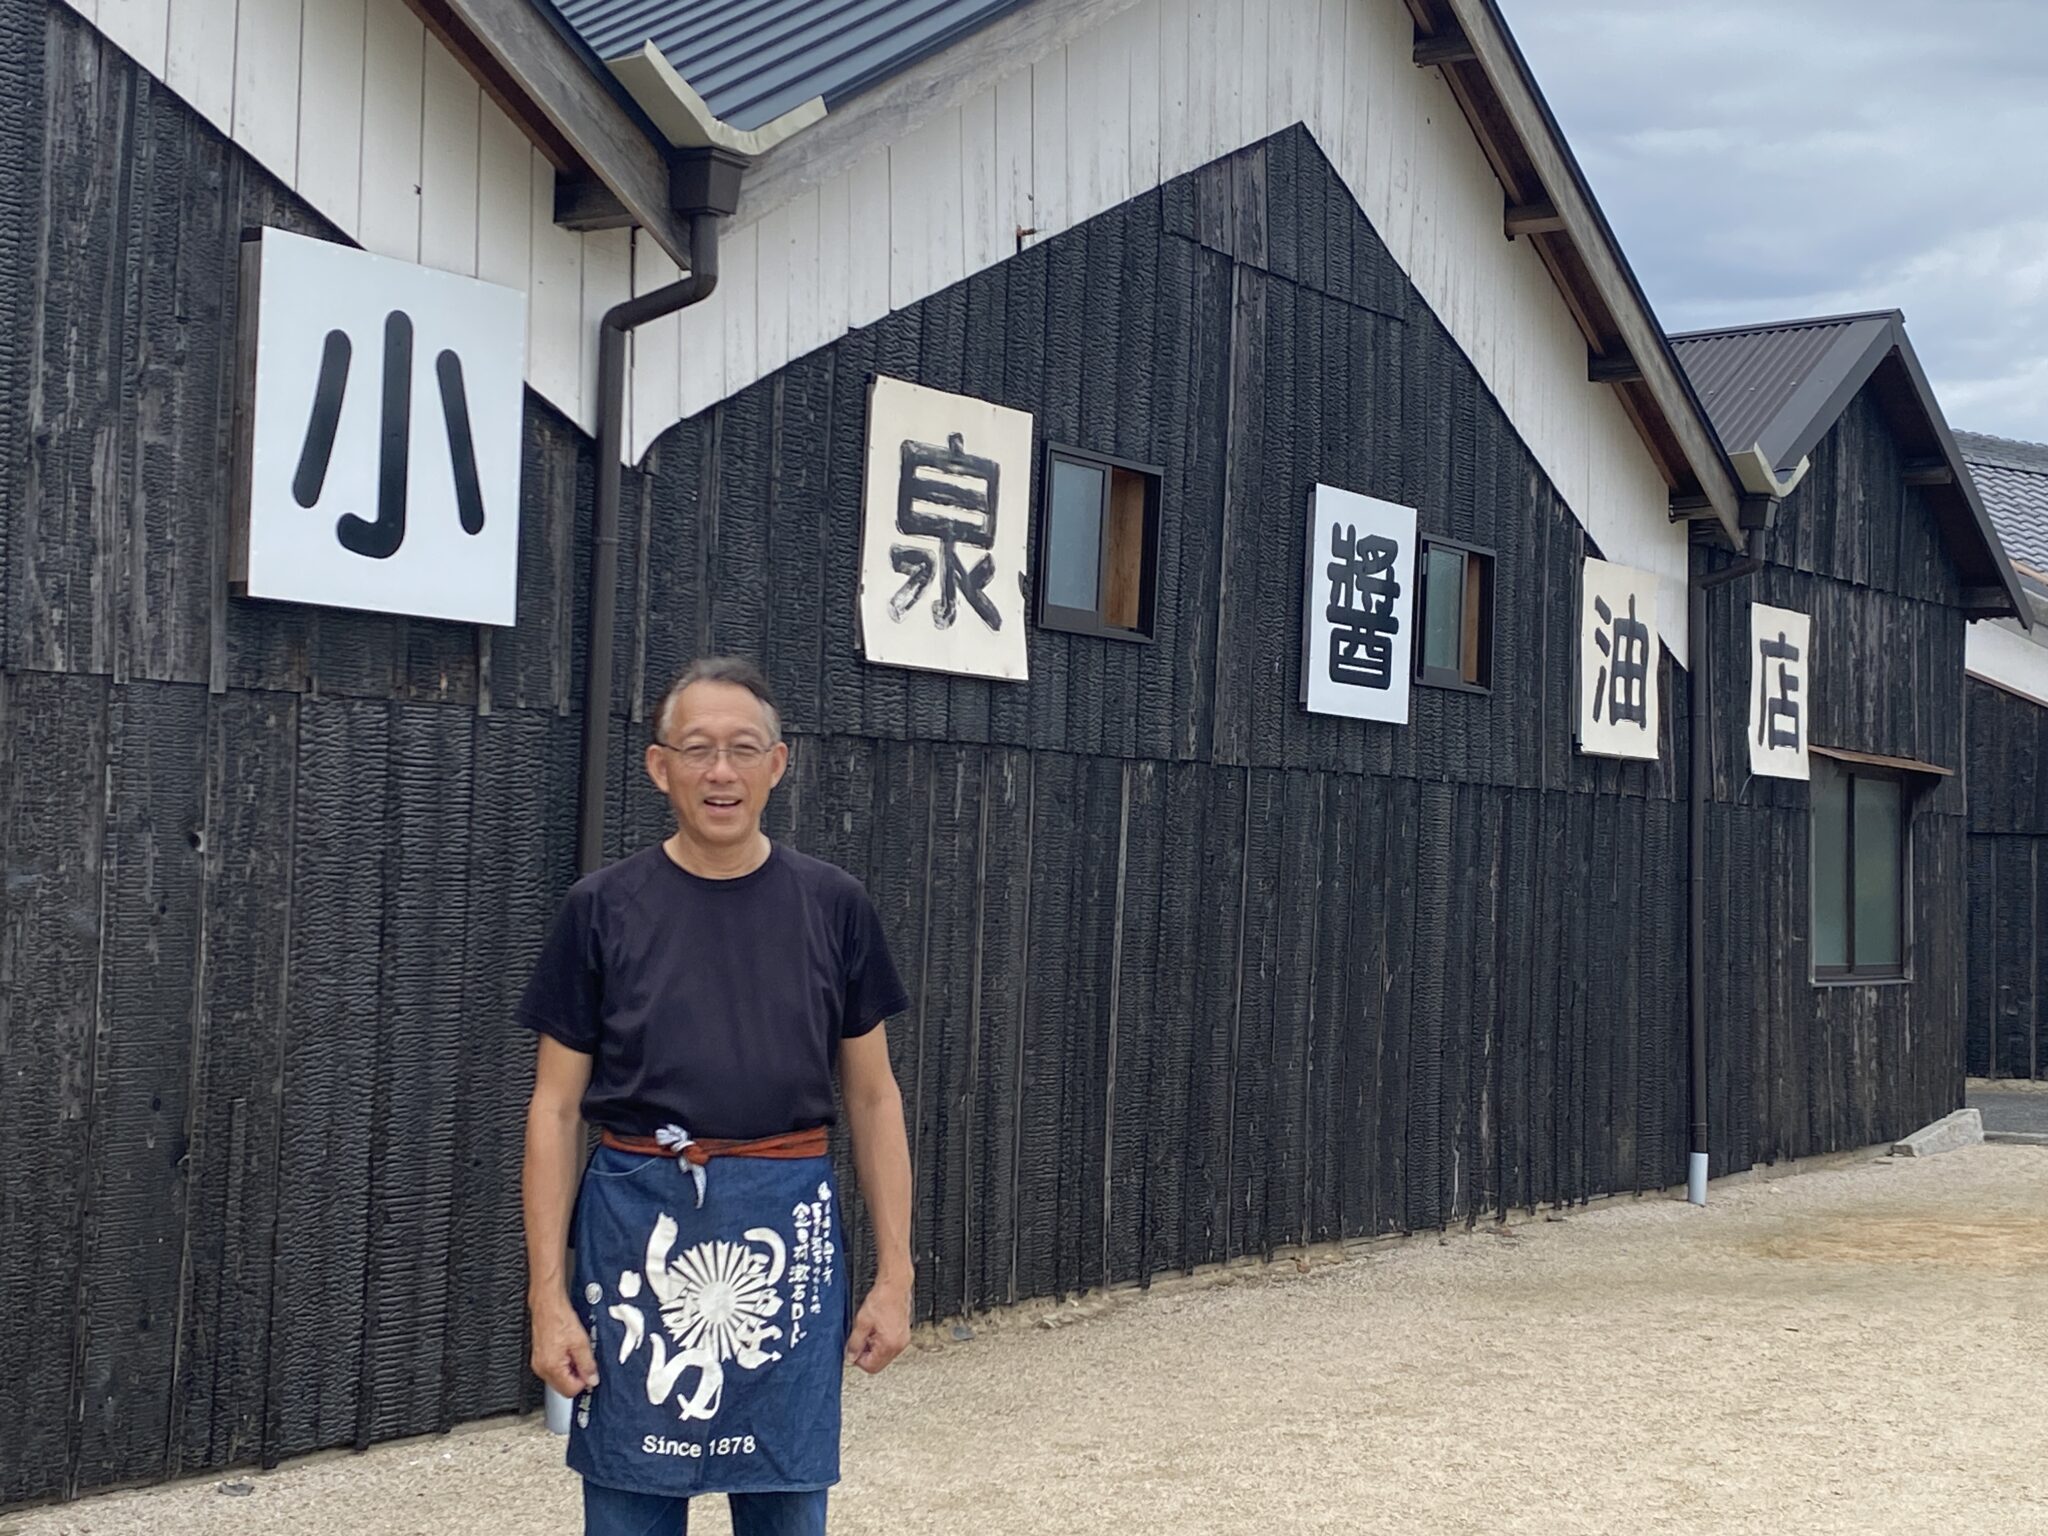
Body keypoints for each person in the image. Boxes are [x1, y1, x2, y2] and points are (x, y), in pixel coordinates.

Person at [519, 657, 915, 1536]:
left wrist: (896, 1275)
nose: (720, 772)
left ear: (779, 765)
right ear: (660, 767)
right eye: (697, 750)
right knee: (627, 1508)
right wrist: (548, 1299)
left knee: (785, 1509)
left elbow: (876, 1098)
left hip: (785, 1215)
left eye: (743, 750)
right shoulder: (601, 909)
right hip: (636, 1226)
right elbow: (552, 1111)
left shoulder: (834, 906)